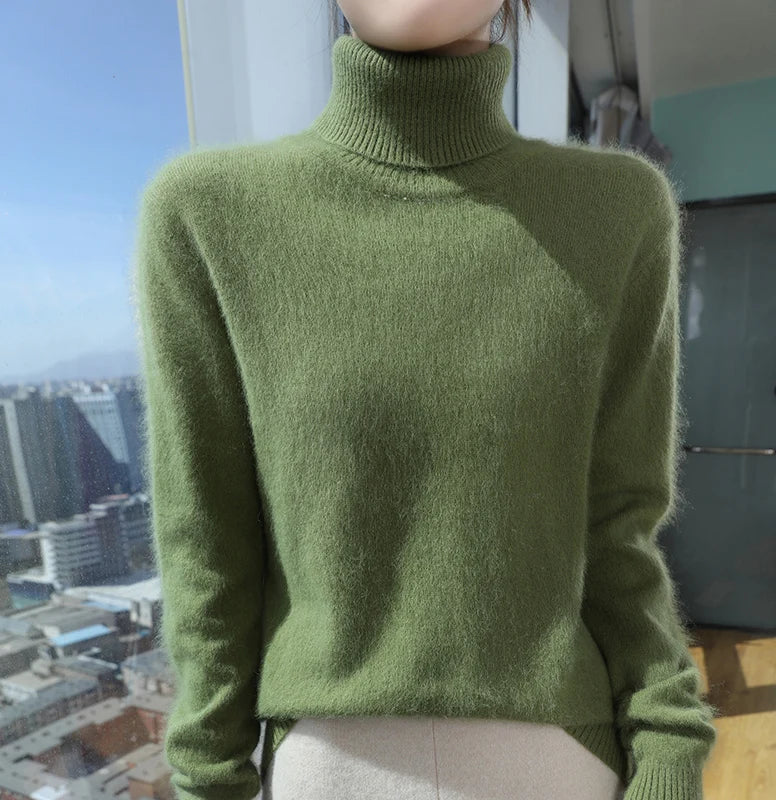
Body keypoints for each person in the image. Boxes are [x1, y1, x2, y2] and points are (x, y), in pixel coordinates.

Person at [131, 1, 719, 799]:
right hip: (324, 772)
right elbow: (207, 543)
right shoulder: (206, 213)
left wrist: (670, 749)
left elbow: (621, 525)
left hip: (563, 766)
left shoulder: (619, 210)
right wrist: (207, 775)